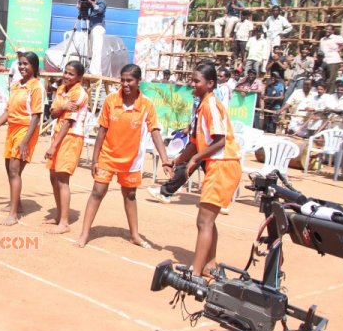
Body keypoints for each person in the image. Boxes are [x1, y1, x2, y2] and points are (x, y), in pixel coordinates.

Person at [75, 64, 171, 248]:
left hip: (132, 160)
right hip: (107, 157)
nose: (125, 84)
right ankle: (85, 233)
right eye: (123, 80)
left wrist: (165, 159)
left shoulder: (147, 105)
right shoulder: (111, 100)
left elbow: (155, 132)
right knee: (98, 192)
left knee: (130, 195)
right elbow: (102, 131)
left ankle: (134, 235)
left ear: (138, 82)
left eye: (129, 80)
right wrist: (95, 159)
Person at [172, 63, 241, 278]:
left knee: (204, 221)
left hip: (224, 163)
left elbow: (220, 141)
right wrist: (176, 160)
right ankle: (210, 264)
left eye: (196, 81)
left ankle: (197, 271)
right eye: (191, 80)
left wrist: (195, 159)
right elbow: (194, 142)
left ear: (210, 84)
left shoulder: (211, 104)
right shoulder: (201, 105)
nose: (192, 84)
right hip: (218, 165)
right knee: (207, 220)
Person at [0, 51, 44, 226]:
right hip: (12, 130)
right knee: (10, 168)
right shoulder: (16, 85)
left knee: (15, 170)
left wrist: (25, 141)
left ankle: (14, 214)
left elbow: (36, 117)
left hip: (26, 131)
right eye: (20, 64)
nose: (22, 67)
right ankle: (18, 204)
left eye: (26, 64)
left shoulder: (36, 87)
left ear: (34, 66)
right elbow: (8, 111)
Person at [44, 61, 89, 235]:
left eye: (71, 74)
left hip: (71, 137)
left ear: (79, 77)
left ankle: (64, 222)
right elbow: (53, 113)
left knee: (62, 179)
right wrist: (62, 106)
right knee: (53, 176)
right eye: (66, 72)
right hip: (58, 135)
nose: (67, 76)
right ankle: (59, 214)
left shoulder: (79, 93)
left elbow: (69, 122)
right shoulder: (62, 89)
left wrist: (53, 147)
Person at [319, 24, 343, 91]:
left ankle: (330, 93)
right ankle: (325, 93)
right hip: (325, 60)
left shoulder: (336, 38)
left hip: (333, 60)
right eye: (326, 29)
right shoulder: (322, 39)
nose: (327, 31)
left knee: (331, 79)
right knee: (323, 78)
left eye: (329, 29)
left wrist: (340, 48)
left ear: (333, 31)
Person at [85, 0, 107, 76]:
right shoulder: (90, 0)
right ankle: (89, 68)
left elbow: (99, 10)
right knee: (89, 50)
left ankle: (95, 71)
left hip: (98, 27)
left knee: (97, 50)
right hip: (90, 27)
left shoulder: (101, 1)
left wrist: (91, 3)